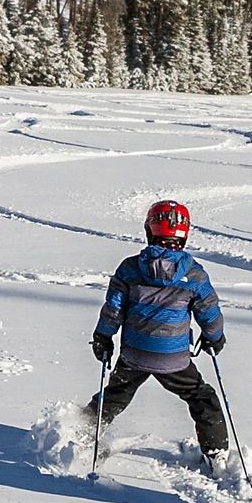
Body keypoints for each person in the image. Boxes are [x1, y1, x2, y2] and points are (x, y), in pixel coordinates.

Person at [90, 200, 230, 474]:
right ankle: (216, 454)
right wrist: (215, 337)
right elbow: (209, 312)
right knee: (201, 397)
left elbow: (113, 310)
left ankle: (82, 435)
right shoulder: (193, 273)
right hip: (174, 358)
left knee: (116, 394)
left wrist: (102, 338)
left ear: (149, 230)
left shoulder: (130, 269)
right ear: (185, 234)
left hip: (134, 354)